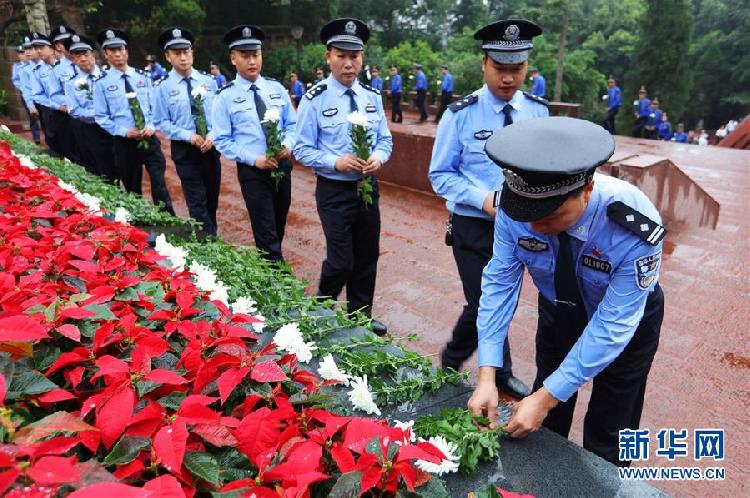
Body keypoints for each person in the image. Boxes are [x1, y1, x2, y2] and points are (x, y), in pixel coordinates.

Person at [468, 116, 666, 467]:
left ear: (587, 190)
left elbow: (612, 326)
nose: (534, 227)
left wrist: (545, 398)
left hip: (625, 317)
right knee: (543, 422)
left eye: (551, 216)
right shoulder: (516, 209)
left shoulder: (632, 224)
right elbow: (500, 283)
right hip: (559, 309)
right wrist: (488, 374)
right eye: (527, 215)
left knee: (612, 425)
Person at [429, 19, 549, 400]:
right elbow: (440, 175)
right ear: (484, 64)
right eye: (501, 68)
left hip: (522, 227)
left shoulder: (537, 112)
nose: (509, 78)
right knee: (486, 301)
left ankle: (471, 360)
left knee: (505, 300)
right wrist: (482, 199)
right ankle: (473, 364)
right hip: (474, 225)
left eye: (517, 69)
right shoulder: (460, 114)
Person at [293, 18, 392, 336]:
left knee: (367, 255)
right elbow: (302, 149)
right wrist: (336, 162)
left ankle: (360, 316)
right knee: (341, 260)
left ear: (362, 58)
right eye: (341, 56)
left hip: (367, 187)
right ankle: (321, 311)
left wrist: (377, 158)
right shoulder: (315, 99)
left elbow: (385, 140)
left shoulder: (372, 97)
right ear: (328, 57)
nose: (349, 63)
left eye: (355, 56)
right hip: (334, 191)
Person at [212, 24, 296, 261]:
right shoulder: (225, 97)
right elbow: (222, 140)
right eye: (245, 56)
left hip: (282, 167)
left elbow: (293, 124)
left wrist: (288, 146)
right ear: (233, 58)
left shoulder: (276, 89)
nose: (252, 61)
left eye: (255, 55)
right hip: (253, 172)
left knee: (278, 226)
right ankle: (279, 282)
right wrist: (254, 159)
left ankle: (269, 267)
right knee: (265, 230)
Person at [93, 28, 174, 215]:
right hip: (125, 142)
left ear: (126, 51)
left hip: (149, 139)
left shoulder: (143, 77)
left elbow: (155, 109)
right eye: (113, 50)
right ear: (106, 54)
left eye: (121, 49)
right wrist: (123, 131)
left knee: (159, 181)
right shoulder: (102, 83)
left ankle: (168, 217)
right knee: (132, 186)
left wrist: (151, 126)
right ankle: (139, 220)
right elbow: (101, 117)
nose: (118, 54)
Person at [153, 27, 222, 237]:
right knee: (196, 199)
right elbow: (160, 122)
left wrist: (212, 135)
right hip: (186, 150)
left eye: (186, 51)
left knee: (211, 198)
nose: (183, 58)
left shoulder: (208, 81)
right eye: (177, 53)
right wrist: (188, 135)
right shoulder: (162, 87)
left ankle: (210, 233)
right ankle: (207, 243)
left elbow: (219, 115)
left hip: (210, 148)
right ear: (167, 56)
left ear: (192, 52)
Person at [63, 34, 116, 182]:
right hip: (92, 131)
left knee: (123, 166)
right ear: (73, 59)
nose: (83, 59)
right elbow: (74, 110)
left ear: (93, 54)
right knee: (101, 170)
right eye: (77, 55)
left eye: (85, 54)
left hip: (114, 129)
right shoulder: (71, 83)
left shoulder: (109, 75)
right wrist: (99, 114)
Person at [48, 24, 81, 163]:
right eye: (63, 42)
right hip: (68, 116)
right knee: (74, 152)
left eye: (70, 40)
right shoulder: (56, 69)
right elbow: (54, 95)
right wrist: (73, 101)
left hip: (91, 116)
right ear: (58, 47)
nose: (68, 44)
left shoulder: (85, 62)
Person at [28, 32, 59, 154]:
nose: (38, 51)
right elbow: (36, 94)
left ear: (51, 49)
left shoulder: (63, 66)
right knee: (53, 139)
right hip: (50, 110)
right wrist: (54, 104)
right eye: (36, 48)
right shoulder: (37, 70)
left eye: (42, 47)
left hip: (71, 110)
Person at [13, 39, 41, 144]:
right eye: (20, 53)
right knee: (32, 116)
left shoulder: (38, 64)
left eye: (23, 52)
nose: (22, 55)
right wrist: (24, 89)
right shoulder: (18, 67)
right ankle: (37, 137)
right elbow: (16, 80)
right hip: (26, 94)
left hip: (39, 95)